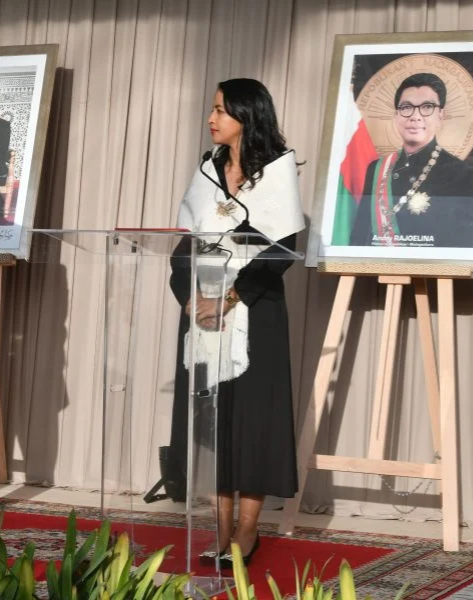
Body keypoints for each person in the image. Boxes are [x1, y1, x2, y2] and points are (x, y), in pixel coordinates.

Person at [168, 78, 305, 569]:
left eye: (221, 109)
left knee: (252, 420)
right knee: (213, 422)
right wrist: (189, 295)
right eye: (212, 108)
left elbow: (281, 248)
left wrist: (231, 296)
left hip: (257, 308)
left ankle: (247, 530)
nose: (212, 118)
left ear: (247, 116)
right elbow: (184, 242)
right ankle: (220, 527)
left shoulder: (277, 172)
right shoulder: (206, 170)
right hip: (201, 310)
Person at [350, 72, 473, 247]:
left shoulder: (463, 175)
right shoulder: (376, 169)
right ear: (396, 115)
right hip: (376, 272)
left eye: (427, 107)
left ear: (441, 114)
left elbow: (463, 245)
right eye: (406, 107)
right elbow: (359, 237)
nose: (415, 116)